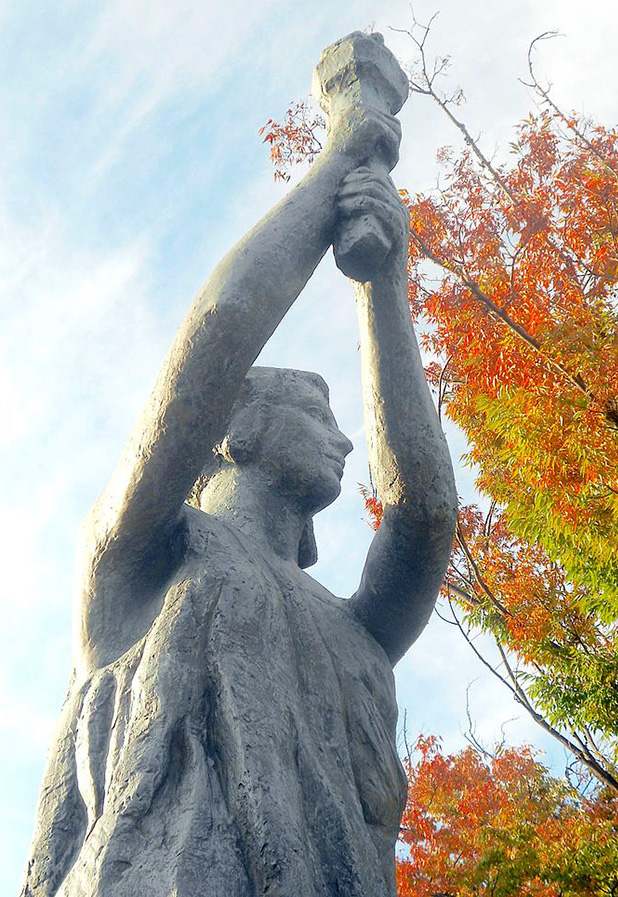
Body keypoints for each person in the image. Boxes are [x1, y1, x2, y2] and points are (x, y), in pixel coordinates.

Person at [21, 50, 457, 897]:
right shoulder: (140, 562)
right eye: (316, 413)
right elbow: (212, 347)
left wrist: (385, 285)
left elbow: (425, 514)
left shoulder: (358, 634)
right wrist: (337, 161)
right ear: (234, 432)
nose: (343, 440)